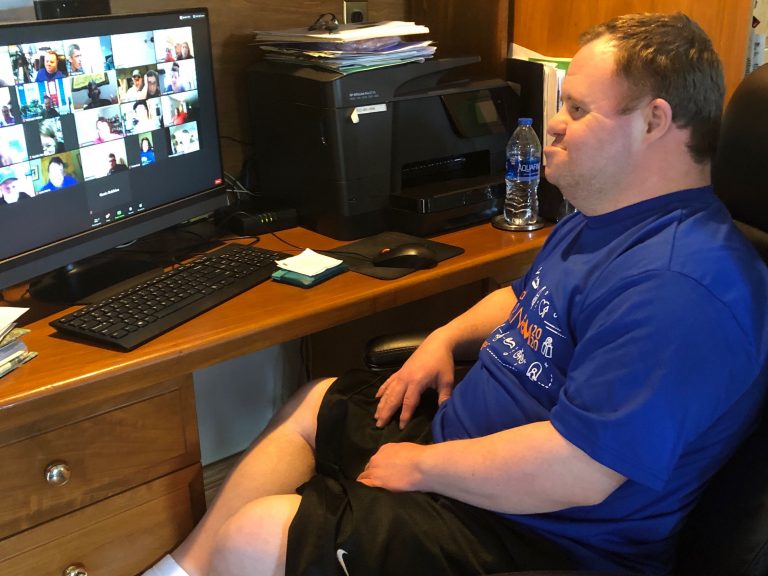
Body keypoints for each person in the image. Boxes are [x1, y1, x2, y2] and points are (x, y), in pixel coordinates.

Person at [143, 13, 768, 576]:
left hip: (540, 538)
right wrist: (444, 338)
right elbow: (528, 300)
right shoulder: (608, 211)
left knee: (256, 537)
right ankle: (179, 569)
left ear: (655, 121)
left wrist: (421, 469)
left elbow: (578, 470)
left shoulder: (681, 288)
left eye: (578, 110)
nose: (554, 123)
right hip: (467, 458)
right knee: (316, 404)